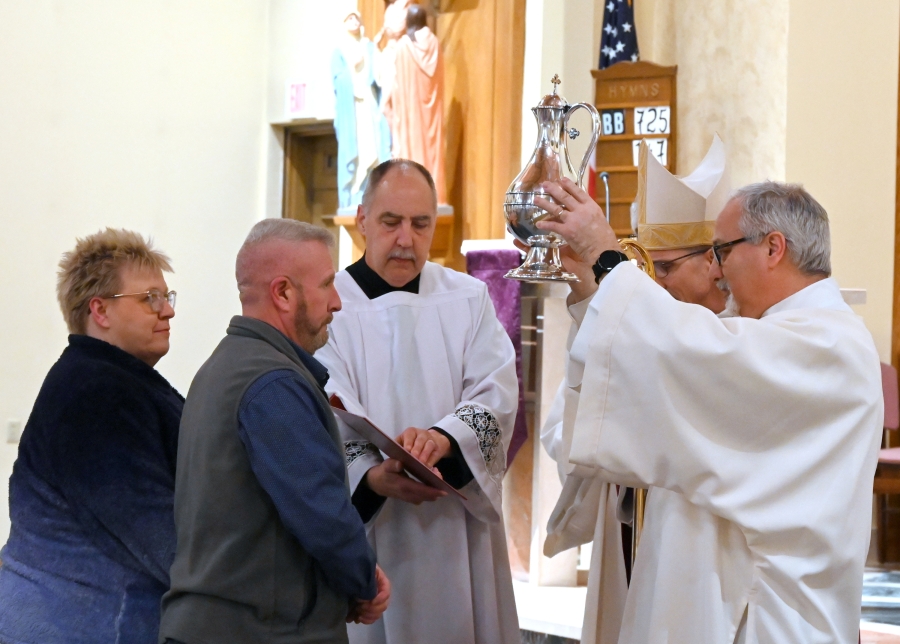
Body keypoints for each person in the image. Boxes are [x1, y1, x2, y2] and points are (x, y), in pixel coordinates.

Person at [536, 179, 883, 644]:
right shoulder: (774, 334)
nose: (717, 271)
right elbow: (676, 370)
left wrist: (608, 260)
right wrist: (590, 290)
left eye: (722, 250)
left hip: (765, 616)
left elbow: (692, 353)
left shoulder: (829, 343)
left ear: (773, 248)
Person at [315, 158, 520, 644]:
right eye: (391, 222)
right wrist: (370, 476)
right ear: (363, 218)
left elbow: (496, 389)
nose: (406, 239)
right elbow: (326, 401)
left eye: (420, 224)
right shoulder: (330, 304)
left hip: (454, 524)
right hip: (374, 529)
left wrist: (444, 439)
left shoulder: (467, 297)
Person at [159, 220, 389, 644]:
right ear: (283, 293)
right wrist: (363, 582)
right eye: (326, 286)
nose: (337, 303)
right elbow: (322, 513)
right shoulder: (273, 384)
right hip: (261, 632)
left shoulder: (222, 368)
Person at [540, 136, 730, 643]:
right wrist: (584, 293)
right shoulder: (641, 323)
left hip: (697, 567)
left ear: (715, 261)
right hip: (630, 543)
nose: (652, 281)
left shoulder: (735, 340)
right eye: (643, 264)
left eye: (664, 267)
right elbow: (568, 438)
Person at [0, 228, 182, 644]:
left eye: (167, 297)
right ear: (99, 310)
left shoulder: (112, 381)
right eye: (149, 298)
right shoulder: (98, 396)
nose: (167, 311)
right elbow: (163, 539)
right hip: (76, 624)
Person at [383, 4, 446, 202]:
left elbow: (398, 85)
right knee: (432, 151)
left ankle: (412, 190)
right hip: (432, 109)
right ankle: (434, 191)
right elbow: (439, 78)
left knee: (411, 148)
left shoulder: (403, 45)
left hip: (411, 111)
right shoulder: (434, 42)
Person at [332, 11, 391, 208]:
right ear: (344, 23)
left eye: (356, 18)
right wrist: (351, 68)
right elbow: (337, 79)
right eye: (349, 18)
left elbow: (377, 75)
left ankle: (375, 192)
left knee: (374, 147)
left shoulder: (368, 45)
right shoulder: (339, 49)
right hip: (353, 108)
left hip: (369, 102)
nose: (354, 21)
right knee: (356, 149)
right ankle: (354, 195)